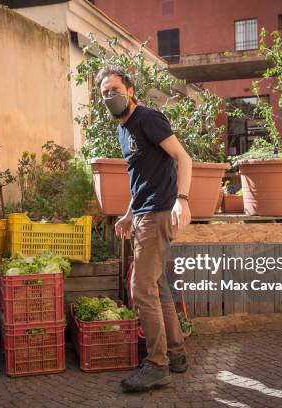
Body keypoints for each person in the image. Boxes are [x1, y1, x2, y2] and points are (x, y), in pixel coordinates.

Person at [95, 66, 193, 392]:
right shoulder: (122, 130)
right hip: (143, 214)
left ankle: (156, 364)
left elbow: (183, 157)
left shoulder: (148, 119)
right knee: (158, 286)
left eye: (115, 89)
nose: (111, 96)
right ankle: (175, 355)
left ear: (131, 90)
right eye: (105, 93)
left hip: (158, 215)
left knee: (141, 289)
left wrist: (183, 199)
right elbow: (141, 181)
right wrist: (126, 214)